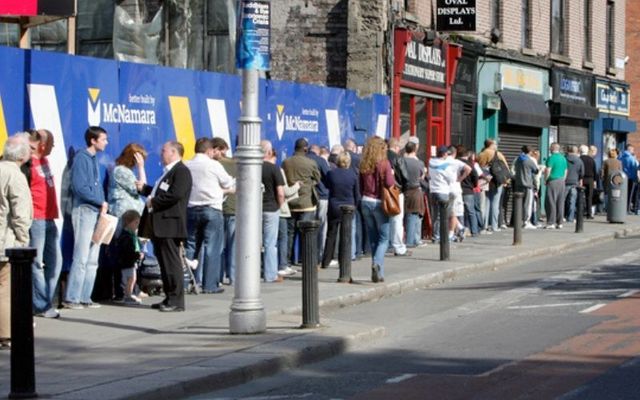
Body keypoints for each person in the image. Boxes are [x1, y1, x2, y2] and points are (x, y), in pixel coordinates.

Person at [139, 141, 193, 312]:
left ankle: (177, 300)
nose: (161, 153)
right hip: (160, 224)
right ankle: (169, 297)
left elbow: (175, 194)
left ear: (174, 152)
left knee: (171, 263)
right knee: (164, 263)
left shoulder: (181, 171)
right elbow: (162, 192)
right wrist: (146, 190)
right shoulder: (168, 172)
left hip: (170, 224)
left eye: (164, 151)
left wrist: (153, 202)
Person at [64, 126, 109, 310]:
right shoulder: (82, 159)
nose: (106, 142)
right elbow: (80, 188)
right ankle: (72, 298)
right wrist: (100, 201)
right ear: (93, 140)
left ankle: (85, 297)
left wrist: (102, 204)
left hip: (95, 211)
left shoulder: (93, 160)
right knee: (82, 256)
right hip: (84, 210)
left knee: (92, 258)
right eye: (103, 139)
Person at [184, 138, 233, 294]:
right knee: (212, 247)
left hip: (191, 209)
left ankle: (188, 282)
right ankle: (209, 285)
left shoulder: (187, 165)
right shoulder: (214, 165)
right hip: (211, 209)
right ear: (209, 150)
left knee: (191, 246)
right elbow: (227, 183)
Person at [22, 129, 62, 318]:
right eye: (51, 144)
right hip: (36, 218)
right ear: (43, 145)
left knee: (55, 262)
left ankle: (44, 299)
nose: (53, 148)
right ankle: (41, 305)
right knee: (36, 263)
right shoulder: (28, 163)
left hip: (49, 217)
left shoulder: (44, 161)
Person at [0, 133, 34, 349]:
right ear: (22, 155)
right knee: (5, 288)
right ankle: (5, 334)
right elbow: (20, 214)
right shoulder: (15, 175)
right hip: (6, 241)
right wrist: (23, 241)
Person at [359, 136, 394, 283]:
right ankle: (377, 264)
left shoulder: (364, 163)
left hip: (365, 201)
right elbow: (389, 182)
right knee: (384, 238)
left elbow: (360, 186)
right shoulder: (384, 163)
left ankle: (379, 274)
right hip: (380, 202)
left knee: (373, 239)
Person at [282, 138, 321, 266]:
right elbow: (317, 178)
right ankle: (306, 261)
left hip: (291, 202)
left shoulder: (286, 162)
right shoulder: (311, 163)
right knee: (307, 234)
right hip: (307, 203)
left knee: (290, 234)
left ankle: (287, 261)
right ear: (305, 149)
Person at [322, 151, 360, 268]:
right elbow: (356, 194)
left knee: (331, 234)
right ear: (348, 162)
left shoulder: (331, 173)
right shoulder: (353, 175)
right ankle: (343, 261)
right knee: (345, 236)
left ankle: (326, 261)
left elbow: (328, 186)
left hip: (334, 206)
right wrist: (355, 207)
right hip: (348, 207)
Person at [261, 140, 285, 282]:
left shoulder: (252, 167)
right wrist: (280, 206)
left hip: (254, 210)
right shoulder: (274, 168)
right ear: (269, 152)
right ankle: (270, 275)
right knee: (270, 243)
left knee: (253, 243)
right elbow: (280, 192)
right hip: (271, 209)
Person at [215, 138, 237, 285]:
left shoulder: (214, 165)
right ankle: (233, 276)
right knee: (233, 245)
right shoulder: (236, 164)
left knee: (218, 245)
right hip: (235, 208)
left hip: (219, 208)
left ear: (218, 149)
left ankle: (218, 275)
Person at [108, 143, 147, 218]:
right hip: (126, 215)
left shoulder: (125, 171)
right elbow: (142, 189)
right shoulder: (121, 171)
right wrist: (141, 167)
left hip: (130, 215)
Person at [477, 139, 509, 232]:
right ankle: (494, 226)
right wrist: (506, 180)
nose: (496, 145)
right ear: (491, 144)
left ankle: (485, 224)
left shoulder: (482, 153)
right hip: (498, 180)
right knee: (495, 203)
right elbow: (505, 168)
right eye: (495, 143)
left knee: (486, 203)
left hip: (487, 180)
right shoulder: (498, 154)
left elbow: (480, 166)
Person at [307, 143, 331, 264]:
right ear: (318, 151)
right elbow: (329, 176)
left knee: (309, 227)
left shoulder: (304, 159)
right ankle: (320, 255)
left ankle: (306, 255)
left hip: (308, 198)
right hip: (322, 196)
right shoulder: (321, 161)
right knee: (322, 226)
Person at [387, 137, 410, 256]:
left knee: (385, 220)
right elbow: (405, 177)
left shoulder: (381, 157)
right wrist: (404, 190)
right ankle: (398, 246)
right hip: (396, 192)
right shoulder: (398, 158)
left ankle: (386, 245)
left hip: (382, 192)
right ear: (396, 147)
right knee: (397, 219)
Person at [116, 210, 144, 305]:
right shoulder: (126, 236)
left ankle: (129, 294)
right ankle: (127, 296)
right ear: (128, 222)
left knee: (132, 278)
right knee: (129, 279)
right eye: (136, 222)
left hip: (131, 262)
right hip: (127, 262)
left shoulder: (132, 235)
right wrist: (136, 254)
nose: (137, 225)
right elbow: (127, 251)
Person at [403, 141, 427, 246]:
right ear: (415, 149)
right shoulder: (419, 163)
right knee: (413, 216)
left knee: (404, 216)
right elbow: (421, 177)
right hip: (415, 190)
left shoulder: (400, 161)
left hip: (403, 190)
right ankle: (410, 241)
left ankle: (408, 240)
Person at [513, 146, 539, 229]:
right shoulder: (529, 160)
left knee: (519, 204)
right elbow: (536, 170)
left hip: (518, 184)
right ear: (530, 152)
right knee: (527, 204)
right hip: (527, 185)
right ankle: (526, 222)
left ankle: (518, 221)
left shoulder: (518, 159)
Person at [544, 142, 568, 229]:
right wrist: (563, 179)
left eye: (550, 147)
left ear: (552, 148)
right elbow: (566, 171)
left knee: (551, 201)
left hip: (553, 181)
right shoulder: (563, 158)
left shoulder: (551, 158)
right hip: (562, 181)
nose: (549, 149)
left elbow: (548, 170)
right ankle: (560, 222)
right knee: (560, 202)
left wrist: (545, 180)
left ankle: (551, 222)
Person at [564, 145, 584, 223]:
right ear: (576, 151)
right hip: (574, 183)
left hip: (564, 182)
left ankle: (561, 217)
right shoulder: (579, 161)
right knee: (572, 201)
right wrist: (579, 178)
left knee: (562, 200)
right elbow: (582, 173)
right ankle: (570, 218)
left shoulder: (564, 159)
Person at [618, 144, 639, 213]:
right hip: (631, 178)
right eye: (632, 149)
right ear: (629, 149)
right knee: (630, 194)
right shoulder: (631, 158)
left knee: (623, 193)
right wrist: (636, 178)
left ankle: (621, 207)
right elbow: (635, 168)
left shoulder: (620, 157)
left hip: (622, 177)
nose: (633, 151)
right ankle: (627, 209)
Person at [580, 145, 597, 219]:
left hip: (581, 179)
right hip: (590, 179)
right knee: (589, 197)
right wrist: (595, 181)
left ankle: (579, 212)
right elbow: (594, 171)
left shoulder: (579, 159)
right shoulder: (591, 160)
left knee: (580, 196)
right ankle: (589, 214)